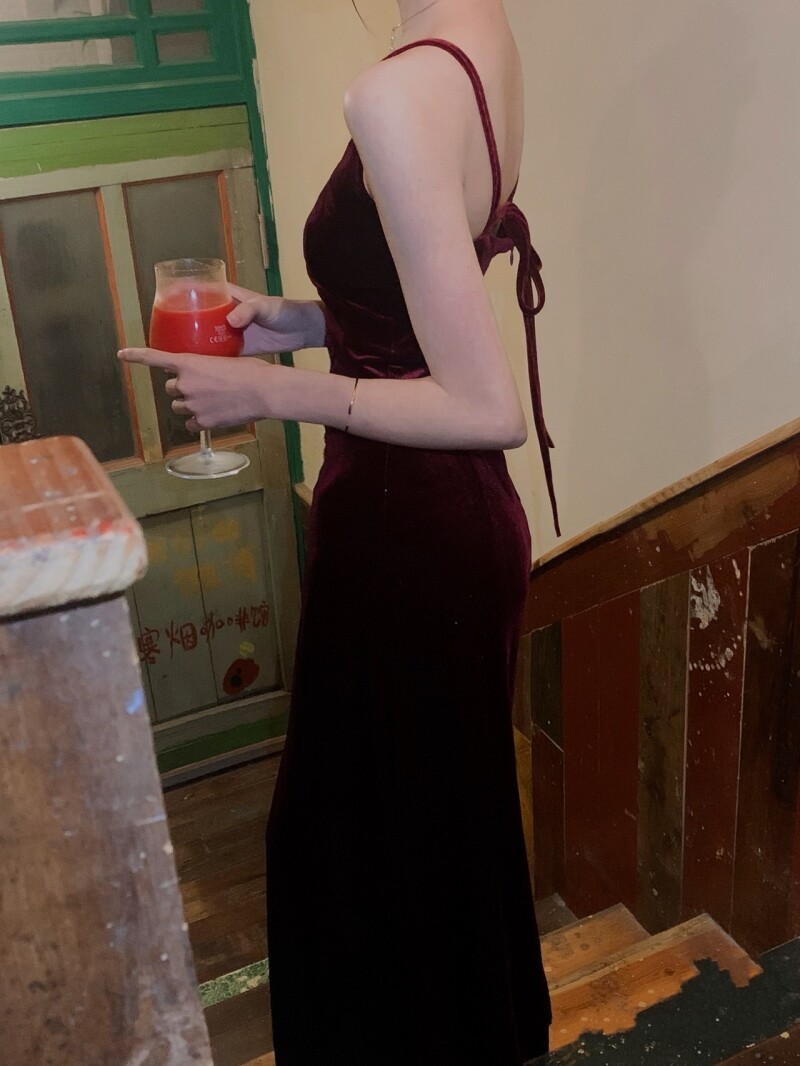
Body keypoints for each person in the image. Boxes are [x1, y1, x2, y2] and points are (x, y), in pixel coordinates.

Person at [119, 0, 558, 1060]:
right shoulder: (488, 41)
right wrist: (294, 319)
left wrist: (269, 395)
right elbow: (420, 301)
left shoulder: (396, 89)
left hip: (409, 531)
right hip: (452, 525)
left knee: (348, 847)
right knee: (434, 839)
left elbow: (487, 405)